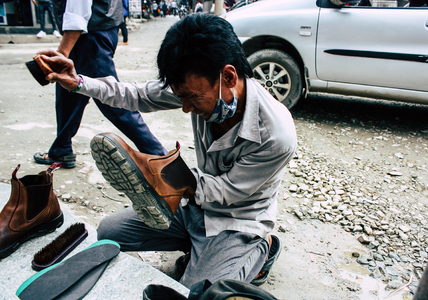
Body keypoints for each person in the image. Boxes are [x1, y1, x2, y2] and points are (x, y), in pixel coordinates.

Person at [36, 13, 297, 289]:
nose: (185, 108)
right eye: (181, 97)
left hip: (238, 222)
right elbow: (138, 95)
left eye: (191, 99)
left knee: (200, 293)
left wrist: (168, 176)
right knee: (109, 232)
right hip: (194, 208)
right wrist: (78, 82)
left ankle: (263, 249)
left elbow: (227, 192)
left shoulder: (276, 135)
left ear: (229, 76)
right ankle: (197, 247)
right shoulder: (196, 84)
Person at [33, 0, 166, 169]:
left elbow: (78, 8)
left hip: (89, 34)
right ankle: (61, 148)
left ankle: (160, 158)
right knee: (68, 89)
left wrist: (63, 51)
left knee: (114, 98)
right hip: (99, 28)